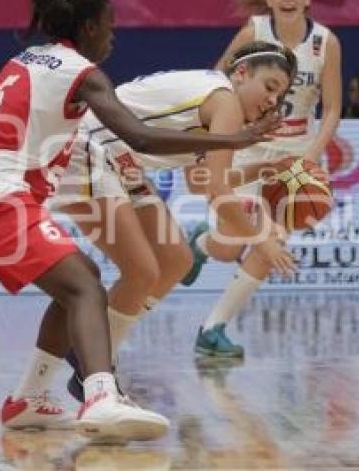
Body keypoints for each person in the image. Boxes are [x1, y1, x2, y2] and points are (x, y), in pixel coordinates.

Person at [0, 0, 274, 441]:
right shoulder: (82, 71)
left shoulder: (29, 57)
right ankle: (101, 391)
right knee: (87, 287)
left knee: (92, 281)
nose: (114, 37)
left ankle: (29, 400)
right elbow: (137, 135)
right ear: (89, 26)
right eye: (110, 27)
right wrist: (234, 140)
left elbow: (196, 174)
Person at [54, 41, 297, 400]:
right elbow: (215, 190)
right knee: (142, 270)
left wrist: (264, 168)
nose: (272, 101)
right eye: (270, 87)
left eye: (281, 96)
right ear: (242, 73)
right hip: (85, 150)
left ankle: (91, 359)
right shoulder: (226, 101)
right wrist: (262, 239)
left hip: (120, 163)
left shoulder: (218, 100)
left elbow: (201, 180)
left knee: (177, 261)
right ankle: (94, 371)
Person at [182, 0, 343, 357]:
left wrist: (311, 157)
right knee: (229, 244)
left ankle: (212, 328)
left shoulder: (325, 42)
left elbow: (333, 109)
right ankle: (200, 246)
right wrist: (215, 136)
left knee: (273, 242)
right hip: (247, 144)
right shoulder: (254, 32)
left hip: (294, 152)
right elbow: (215, 82)